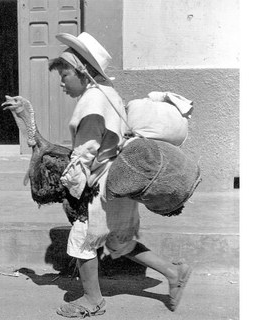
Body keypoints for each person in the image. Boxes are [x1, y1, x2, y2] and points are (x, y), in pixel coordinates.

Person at [44, 32, 192, 318]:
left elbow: (86, 152)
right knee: (119, 241)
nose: (62, 83)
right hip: (122, 181)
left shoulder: (91, 103)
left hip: (100, 186)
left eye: (64, 75)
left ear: (82, 71)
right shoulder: (108, 94)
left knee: (83, 240)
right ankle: (174, 273)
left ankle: (92, 300)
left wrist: (71, 187)